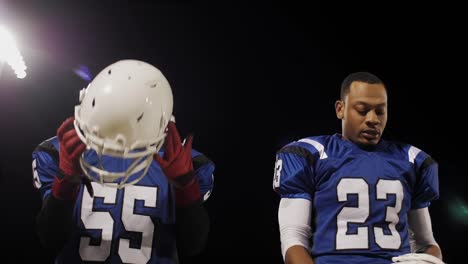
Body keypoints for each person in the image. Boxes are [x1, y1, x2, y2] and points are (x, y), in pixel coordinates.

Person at [32, 59, 215, 263]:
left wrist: (185, 188)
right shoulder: (58, 152)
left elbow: (192, 245)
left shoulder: (187, 162)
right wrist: (66, 180)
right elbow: (50, 238)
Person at [273, 72, 444, 264]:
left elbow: (426, 244)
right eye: (362, 110)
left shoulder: (412, 160)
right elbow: (293, 237)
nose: (373, 119)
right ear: (340, 109)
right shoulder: (312, 155)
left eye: (380, 111)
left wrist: (428, 260)